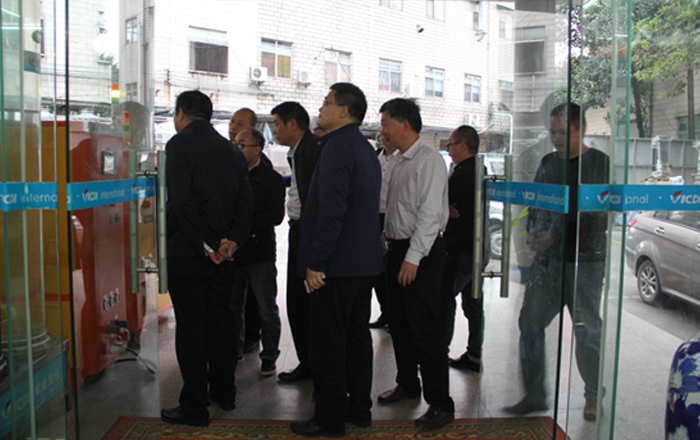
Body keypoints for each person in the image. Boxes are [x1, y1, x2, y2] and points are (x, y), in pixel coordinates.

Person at [504, 103, 608, 422]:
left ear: (582, 130)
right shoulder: (548, 162)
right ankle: (534, 395)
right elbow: (537, 202)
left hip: (584, 262)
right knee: (530, 323)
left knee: (587, 330)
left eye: (563, 132)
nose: (557, 138)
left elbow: (595, 214)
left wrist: (556, 235)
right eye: (553, 132)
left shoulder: (598, 163)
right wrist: (534, 232)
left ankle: (593, 395)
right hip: (548, 263)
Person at [290, 83, 383, 438]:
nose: (321, 108)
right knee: (357, 340)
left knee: (327, 345)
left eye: (326, 102)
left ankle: (329, 418)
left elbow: (331, 210)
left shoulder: (336, 147)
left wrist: (317, 262)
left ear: (344, 110)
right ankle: (359, 409)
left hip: (336, 267)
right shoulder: (363, 147)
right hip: (362, 265)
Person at [161, 90, 253, 427]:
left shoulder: (178, 145)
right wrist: (232, 242)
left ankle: (194, 405)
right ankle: (225, 392)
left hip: (189, 253)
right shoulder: (231, 150)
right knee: (221, 323)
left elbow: (182, 202)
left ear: (181, 113)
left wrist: (209, 243)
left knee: (191, 328)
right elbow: (245, 202)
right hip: (225, 256)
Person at [378, 98, 454, 428]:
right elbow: (391, 208)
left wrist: (412, 258)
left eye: (385, 123)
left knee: (425, 329)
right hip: (396, 251)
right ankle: (408, 383)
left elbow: (430, 216)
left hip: (420, 254)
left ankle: (441, 403)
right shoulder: (397, 161)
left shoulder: (429, 160)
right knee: (399, 323)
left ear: (404, 124)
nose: (382, 130)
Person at [270, 102, 320, 382]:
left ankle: (313, 365)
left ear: (292, 124)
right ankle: (308, 363)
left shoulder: (311, 150)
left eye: (277, 124)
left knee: (304, 302)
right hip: (298, 229)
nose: (274, 130)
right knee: (296, 300)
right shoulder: (297, 152)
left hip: (308, 232)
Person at [230, 128, 285, 376]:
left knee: (266, 307)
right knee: (233, 306)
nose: (236, 148)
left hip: (260, 252)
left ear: (257, 150)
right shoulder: (229, 175)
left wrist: (243, 223)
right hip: (234, 251)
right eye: (235, 143)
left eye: (242, 145)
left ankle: (270, 356)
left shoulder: (271, 179)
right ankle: (235, 350)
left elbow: (275, 216)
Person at [439, 125, 488, 372]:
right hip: (477, 248)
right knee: (473, 303)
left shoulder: (463, 174)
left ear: (463, 145)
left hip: (462, 249)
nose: (448, 149)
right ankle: (474, 354)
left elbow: (439, 198)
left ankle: (439, 354)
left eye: (450, 144)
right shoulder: (481, 170)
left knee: (444, 298)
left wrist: (444, 205)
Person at [228, 106, 263, 357]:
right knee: (233, 298)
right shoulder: (224, 157)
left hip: (255, 246)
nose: (233, 126)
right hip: (230, 244)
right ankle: (235, 343)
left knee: (255, 297)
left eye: (240, 123)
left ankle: (252, 337)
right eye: (232, 121)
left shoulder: (263, 168)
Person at [369, 139, 399, 329]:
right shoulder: (375, 157)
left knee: (391, 269)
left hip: (393, 215)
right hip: (374, 216)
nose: (384, 135)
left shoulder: (401, 159)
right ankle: (385, 313)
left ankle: (395, 316)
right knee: (377, 271)